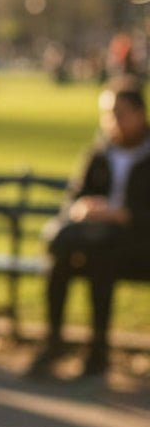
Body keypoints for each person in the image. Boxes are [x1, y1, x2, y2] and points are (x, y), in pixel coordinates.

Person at [31, 77, 150, 378]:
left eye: (119, 114)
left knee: (101, 258)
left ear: (140, 114)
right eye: (107, 114)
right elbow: (73, 199)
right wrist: (84, 208)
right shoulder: (99, 153)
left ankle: (97, 352)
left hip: (139, 246)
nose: (112, 122)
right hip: (98, 244)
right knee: (62, 260)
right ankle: (55, 342)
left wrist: (123, 215)